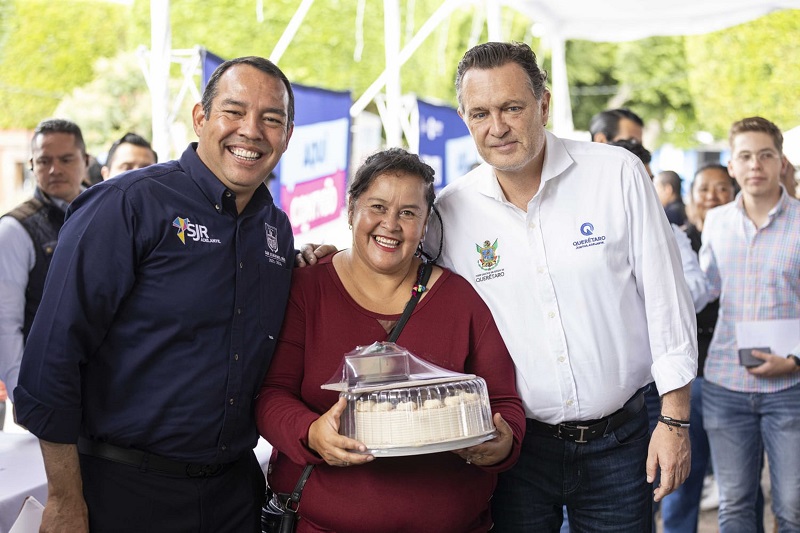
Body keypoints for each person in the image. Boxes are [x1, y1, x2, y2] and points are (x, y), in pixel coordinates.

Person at [14, 56, 297, 533]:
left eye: (272, 119)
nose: (251, 131)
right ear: (200, 118)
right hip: (123, 493)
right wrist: (64, 499)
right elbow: (50, 361)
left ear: (287, 136)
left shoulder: (276, 229)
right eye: (234, 111)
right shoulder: (126, 204)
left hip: (234, 495)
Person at [425, 41, 696, 532]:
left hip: (621, 442)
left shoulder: (616, 174)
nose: (497, 127)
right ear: (465, 118)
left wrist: (674, 421)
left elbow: (667, 302)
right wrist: (323, 257)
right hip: (515, 452)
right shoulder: (450, 211)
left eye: (512, 107)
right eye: (480, 113)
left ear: (543, 104)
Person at [255, 147, 525, 532]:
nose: (391, 225)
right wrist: (311, 432)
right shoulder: (306, 289)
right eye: (377, 207)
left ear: (426, 223)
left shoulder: (461, 299)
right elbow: (271, 394)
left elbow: (503, 401)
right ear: (352, 210)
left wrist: (502, 444)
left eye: (408, 213)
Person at [699, 116, 800, 532]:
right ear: (732, 165)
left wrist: (795, 360)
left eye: (765, 155)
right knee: (736, 507)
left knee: (793, 507)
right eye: (745, 156)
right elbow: (705, 288)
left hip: (790, 389)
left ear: (780, 162)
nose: (755, 165)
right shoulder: (718, 222)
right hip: (726, 385)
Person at [660, 163, 737, 533]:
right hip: (688, 375)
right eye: (704, 188)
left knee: (737, 482)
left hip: (733, 375)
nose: (712, 196)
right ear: (691, 196)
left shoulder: (741, 240)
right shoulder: (677, 239)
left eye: (722, 188)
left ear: (734, 194)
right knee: (680, 482)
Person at [0, 119, 88, 404]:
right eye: (44, 161)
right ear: (31, 165)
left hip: (102, 381)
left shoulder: (106, 211)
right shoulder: (15, 229)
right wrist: (20, 395)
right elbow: (5, 322)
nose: (54, 170)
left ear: (84, 161)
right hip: (46, 384)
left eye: (65, 159)